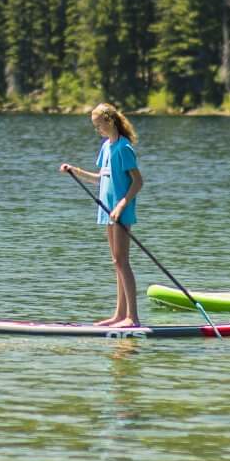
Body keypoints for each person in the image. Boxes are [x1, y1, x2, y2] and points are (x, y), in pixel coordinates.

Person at [60, 104, 144, 327]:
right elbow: (100, 178)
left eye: (98, 125)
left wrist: (121, 206)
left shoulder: (123, 148)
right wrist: (75, 171)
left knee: (123, 261)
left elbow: (138, 182)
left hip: (120, 211)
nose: (97, 129)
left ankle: (132, 318)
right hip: (107, 210)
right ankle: (119, 315)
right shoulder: (106, 147)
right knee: (116, 261)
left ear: (109, 121)